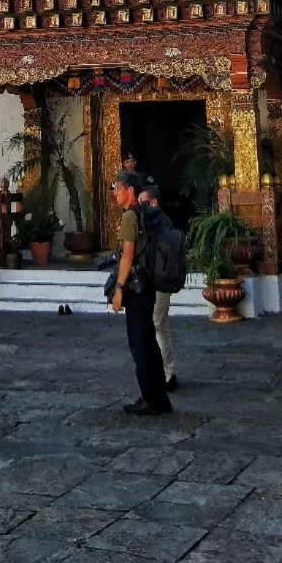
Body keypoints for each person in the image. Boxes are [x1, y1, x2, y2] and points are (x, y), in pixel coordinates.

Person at [109, 167, 171, 416]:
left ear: (129, 190)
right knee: (149, 342)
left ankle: (149, 398)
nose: (115, 193)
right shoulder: (146, 212)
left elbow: (128, 255)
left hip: (135, 286)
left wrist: (119, 288)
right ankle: (160, 397)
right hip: (149, 284)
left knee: (139, 344)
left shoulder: (129, 216)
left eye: (117, 188)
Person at [138, 180, 178, 391]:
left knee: (157, 325)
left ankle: (167, 374)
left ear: (153, 202)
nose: (140, 206)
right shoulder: (157, 222)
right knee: (158, 325)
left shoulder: (161, 223)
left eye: (143, 202)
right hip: (155, 280)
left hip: (160, 280)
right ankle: (164, 371)